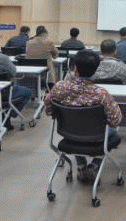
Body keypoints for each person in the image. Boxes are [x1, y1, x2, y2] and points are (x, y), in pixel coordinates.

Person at [44, 49, 122, 183]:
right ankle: (94, 165)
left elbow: (49, 110)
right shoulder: (101, 94)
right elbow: (116, 120)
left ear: (75, 69)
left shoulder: (59, 88)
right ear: (96, 71)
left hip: (69, 135)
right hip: (96, 138)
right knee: (113, 132)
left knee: (76, 126)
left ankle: (81, 165)